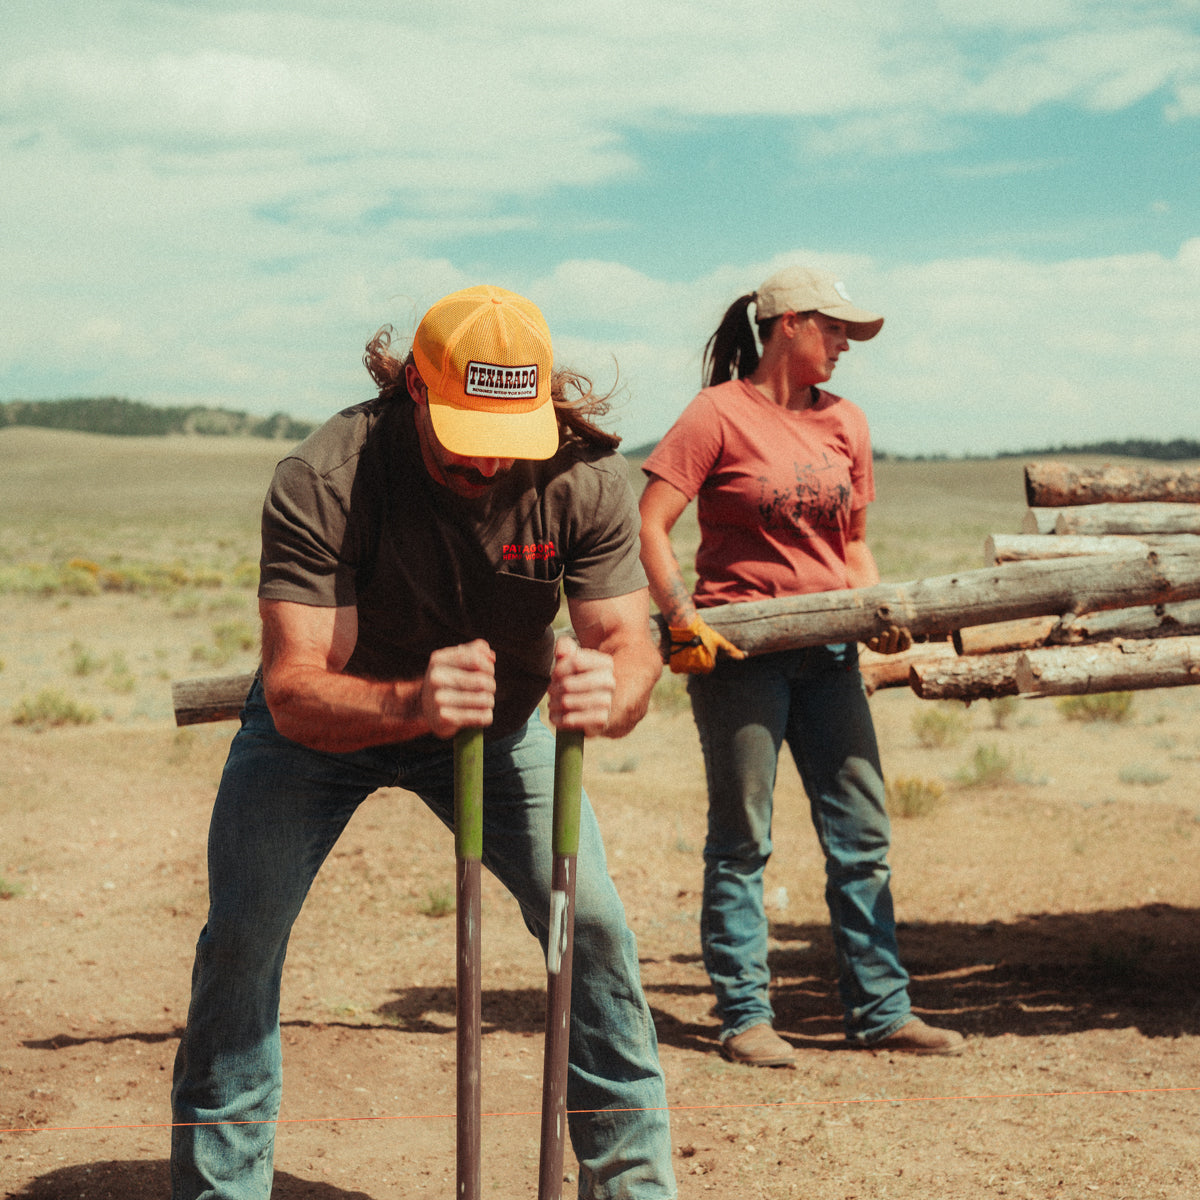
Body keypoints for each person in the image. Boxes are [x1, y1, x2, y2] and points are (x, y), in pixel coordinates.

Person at [170, 284, 677, 1199]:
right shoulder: (327, 475)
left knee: (592, 928)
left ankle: (632, 1186)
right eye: (465, 434)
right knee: (243, 939)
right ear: (415, 389)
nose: (487, 461)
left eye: (507, 436)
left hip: (498, 725)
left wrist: (615, 689)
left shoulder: (585, 478)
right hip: (327, 727)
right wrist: (414, 700)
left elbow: (627, 645)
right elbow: (293, 689)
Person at [637, 265, 964, 1067]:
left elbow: (854, 545)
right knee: (743, 840)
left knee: (862, 834)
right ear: (788, 324)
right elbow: (650, 524)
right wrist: (681, 618)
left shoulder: (846, 421)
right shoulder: (716, 413)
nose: (846, 343)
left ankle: (881, 1011)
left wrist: (879, 614)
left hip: (830, 658)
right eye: (835, 327)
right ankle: (745, 1017)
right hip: (740, 657)